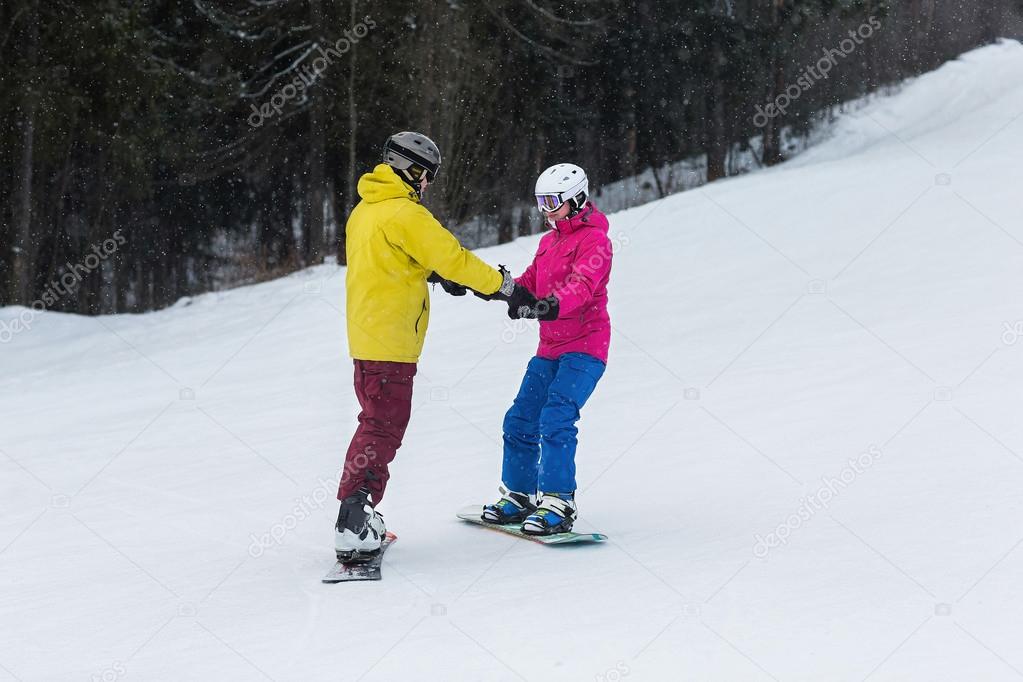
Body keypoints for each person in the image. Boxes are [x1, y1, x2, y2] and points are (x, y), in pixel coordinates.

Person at [334, 131, 529, 560]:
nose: (427, 187)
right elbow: (454, 256)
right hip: (391, 342)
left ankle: (359, 513)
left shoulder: (366, 211)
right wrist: (506, 288)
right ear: (413, 170)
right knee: (383, 426)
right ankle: (352, 518)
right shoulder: (405, 214)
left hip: (368, 338)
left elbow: (392, 262)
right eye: (427, 178)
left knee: (375, 420)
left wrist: (432, 274)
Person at [481, 163, 612, 535]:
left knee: (556, 416)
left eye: (552, 202)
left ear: (577, 198)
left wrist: (548, 306)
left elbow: (582, 286)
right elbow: (528, 283)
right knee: (520, 418)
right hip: (549, 348)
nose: (546, 210)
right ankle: (520, 494)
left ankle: (558, 500)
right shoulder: (548, 242)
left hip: (586, 346)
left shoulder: (596, 241)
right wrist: (491, 287)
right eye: (541, 202)